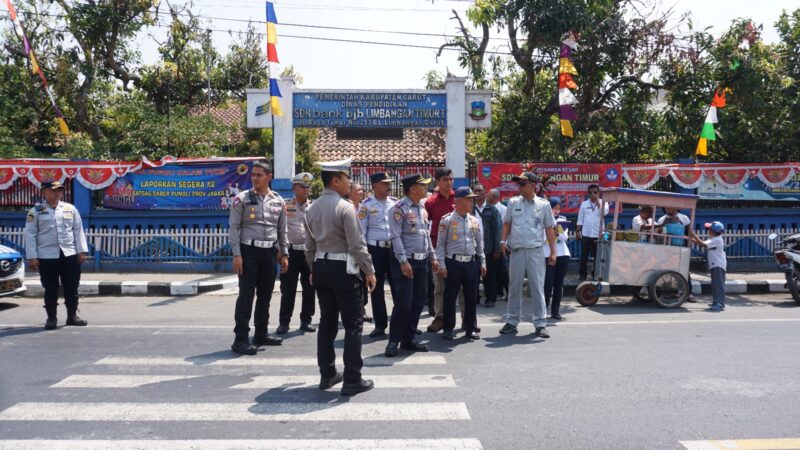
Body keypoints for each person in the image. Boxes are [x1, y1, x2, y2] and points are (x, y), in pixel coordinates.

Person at [304, 158, 377, 396]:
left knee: (327, 322)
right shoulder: (345, 207)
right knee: (353, 324)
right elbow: (357, 245)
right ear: (335, 181)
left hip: (321, 268)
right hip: (344, 270)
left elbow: (309, 246)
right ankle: (352, 378)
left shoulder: (311, 208)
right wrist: (369, 270)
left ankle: (327, 374)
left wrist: (313, 269)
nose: (350, 183)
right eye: (347, 178)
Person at [228, 161, 289, 355]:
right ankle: (240, 339)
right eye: (253, 175)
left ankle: (261, 333)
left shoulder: (278, 201)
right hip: (248, 252)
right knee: (246, 296)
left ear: (269, 176)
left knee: (266, 295)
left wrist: (284, 253)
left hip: (269, 253)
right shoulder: (242, 199)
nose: (254, 178)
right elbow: (234, 228)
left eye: (259, 175)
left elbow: (282, 229)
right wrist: (237, 255)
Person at [385, 174, 439, 357]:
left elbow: (425, 235)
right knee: (404, 303)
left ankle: (408, 338)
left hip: (422, 261)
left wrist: (432, 257)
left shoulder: (422, 208)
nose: (426, 188)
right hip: (406, 262)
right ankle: (393, 340)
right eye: (422, 186)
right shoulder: (398, 209)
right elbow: (395, 237)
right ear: (413, 189)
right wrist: (403, 261)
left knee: (418, 302)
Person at [24, 181, 89, 330]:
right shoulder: (36, 211)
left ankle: (72, 316)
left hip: (69, 254)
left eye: (59, 191)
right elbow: (30, 234)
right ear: (44, 192)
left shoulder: (70, 209)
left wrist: (82, 251)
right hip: (46, 256)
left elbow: (78, 231)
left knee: (72, 287)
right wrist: (32, 257)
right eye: (53, 191)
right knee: (51, 288)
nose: (57, 194)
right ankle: (51, 318)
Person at [499, 172, 557, 338]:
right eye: (519, 184)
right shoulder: (513, 202)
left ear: (533, 186)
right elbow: (507, 223)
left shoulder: (544, 205)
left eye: (523, 184)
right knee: (514, 287)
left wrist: (553, 251)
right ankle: (511, 321)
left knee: (538, 288)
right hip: (516, 251)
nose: (520, 187)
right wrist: (502, 241)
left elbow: (549, 229)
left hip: (536, 252)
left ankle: (540, 323)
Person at [437, 187, 486, 341]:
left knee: (471, 296)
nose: (473, 202)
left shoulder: (474, 220)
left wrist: (482, 261)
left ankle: (470, 328)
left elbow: (479, 244)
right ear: (459, 201)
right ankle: (448, 328)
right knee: (450, 297)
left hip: (470, 263)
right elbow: (440, 244)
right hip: (453, 262)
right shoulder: (447, 220)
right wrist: (442, 264)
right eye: (469, 199)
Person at [358, 173, 398, 338]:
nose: (388, 186)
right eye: (384, 184)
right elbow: (361, 233)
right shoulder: (366, 206)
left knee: (399, 287)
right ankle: (380, 325)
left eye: (389, 183)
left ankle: (401, 322)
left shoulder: (395, 203)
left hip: (394, 250)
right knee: (376, 288)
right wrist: (365, 256)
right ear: (374, 186)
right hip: (375, 250)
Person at [277, 172, 316, 335]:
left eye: (308, 187)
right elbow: (280, 230)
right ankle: (284, 322)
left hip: (308, 253)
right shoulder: (285, 206)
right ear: (294, 188)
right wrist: (281, 251)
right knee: (288, 289)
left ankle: (306, 320)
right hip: (291, 252)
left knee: (309, 288)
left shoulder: (314, 207)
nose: (306, 189)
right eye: (302, 186)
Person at [425, 168, 463, 332]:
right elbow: (425, 227)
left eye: (451, 179)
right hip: (438, 250)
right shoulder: (430, 202)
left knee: (461, 286)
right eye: (445, 180)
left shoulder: (461, 199)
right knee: (439, 286)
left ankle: (467, 319)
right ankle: (440, 317)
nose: (449, 182)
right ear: (437, 182)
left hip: (459, 249)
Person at [657, 207, 696, 302]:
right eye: (667, 209)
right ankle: (667, 292)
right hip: (666, 249)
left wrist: (687, 248)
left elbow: (688, 233)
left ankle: (688, 293)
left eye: (671, 208)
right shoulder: (662, 219)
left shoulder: (684, 218)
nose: (669, 210)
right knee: (666, 271)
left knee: (684, 270)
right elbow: (659, 233)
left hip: (681, 249)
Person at [473, 184, 502, 308]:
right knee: (473, 276)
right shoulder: (469, 209)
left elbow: (498, 230)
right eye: (476, 191)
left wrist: (497, 249)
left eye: (480, 190)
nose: (478, 192)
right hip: (472, 249)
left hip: (488, 249)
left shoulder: (492, 209)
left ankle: (491, 298)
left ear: (485, 192)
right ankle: (475, 298)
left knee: (489, 276)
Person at [543, 197, 570, 321]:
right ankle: (543, 311)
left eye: (559, 209)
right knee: (547, 284)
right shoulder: (543, 220)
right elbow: (542, 239)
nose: (557, 211)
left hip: (563, 254)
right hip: (547, 254)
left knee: (559, 284)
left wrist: (557, 233)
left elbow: (565, 238)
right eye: (554, 208)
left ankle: (555, 311)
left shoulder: (563, 220)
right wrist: (550, 233)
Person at [691, 222, 727, 312]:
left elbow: (702, 244)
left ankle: (719, 303)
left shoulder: (717, 240)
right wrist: (691, 238)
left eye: (709, 229)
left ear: (713, 231)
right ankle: (716, 301)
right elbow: (700, 243)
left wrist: (694, 235)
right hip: (715, 264)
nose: (708, 230)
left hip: (718, 264)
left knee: (718, 285)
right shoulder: (714, 239)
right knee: (715, 284)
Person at [348, 182, 371, 322]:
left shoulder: (365, 208)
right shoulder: (345, 208)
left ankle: (361, 309)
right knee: (351, 282)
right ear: (350, 192)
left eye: (362, 189)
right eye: (358, 190)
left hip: (363, 250)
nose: (361, 192)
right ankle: (351, 310)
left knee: (363, 281)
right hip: (350, 251)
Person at [576, 184, 609, 281]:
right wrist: (578, 231)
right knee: (584, 256)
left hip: (598, 234)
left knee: (597, 256)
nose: (593, 194)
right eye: (590, 192)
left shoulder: (604, 203)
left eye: (595, 192)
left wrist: (598, 202)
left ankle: (596, 274)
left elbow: (605, 213)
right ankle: (582, 274)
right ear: (588, 193)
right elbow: (580, 218)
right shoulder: (584, 204)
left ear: (599, 193)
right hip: (586, 234)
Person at [488, 188, 509, 301]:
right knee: (494, 270)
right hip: (490, 244)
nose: (487, 197)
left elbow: (504, 228)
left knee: (502, 269)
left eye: (489, 195)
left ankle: (509, 291)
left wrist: (502, 244)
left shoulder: (503, 209)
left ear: (495, 197)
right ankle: (498, 291)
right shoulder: (488, 208)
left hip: (500, 244)